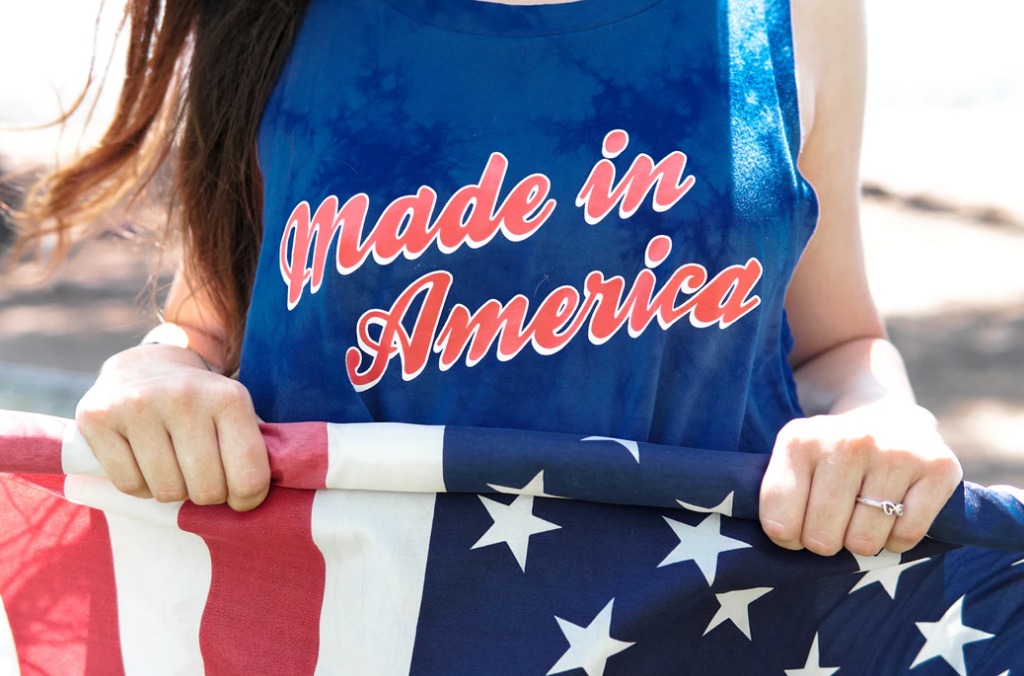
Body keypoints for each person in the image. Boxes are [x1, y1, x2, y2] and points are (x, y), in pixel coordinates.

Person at [12, 0, 961, 566]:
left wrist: (877, 419)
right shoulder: (272, 14)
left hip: (700, 631)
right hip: (339, 628)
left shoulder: (796, 15)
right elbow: (210, 327)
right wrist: (152, 372)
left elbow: (836, 345)